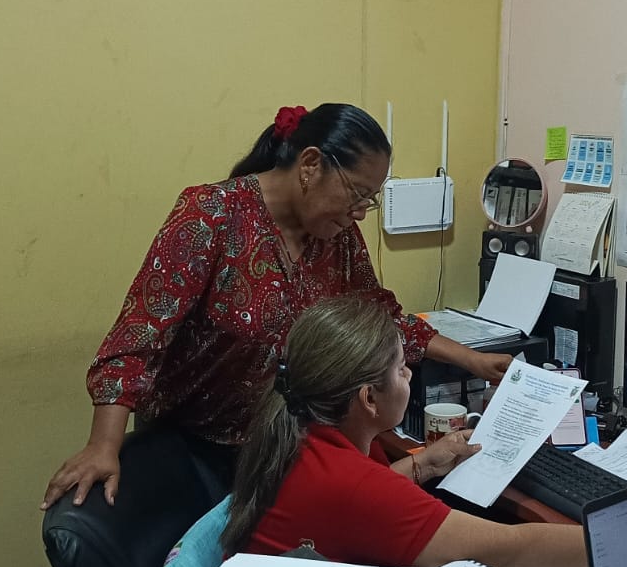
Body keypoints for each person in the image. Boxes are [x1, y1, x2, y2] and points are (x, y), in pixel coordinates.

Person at [42, 102, 513, 512]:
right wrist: (103, 445)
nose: (359, 213)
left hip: (282, 448)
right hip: (191, 451)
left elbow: (378, 317)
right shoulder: (211, 215)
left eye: (369, 201)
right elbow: (140, 336)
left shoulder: (337, 237)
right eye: (356, 195)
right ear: (310, 165)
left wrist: (475, 361)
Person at [222, 295, 587, 567]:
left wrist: (424, 464)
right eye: (400, 369)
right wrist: (608, 537)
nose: (410, 375)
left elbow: (352, 505)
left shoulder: (298, 427)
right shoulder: (351, 484)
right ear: (369, 399)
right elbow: (506, 548)